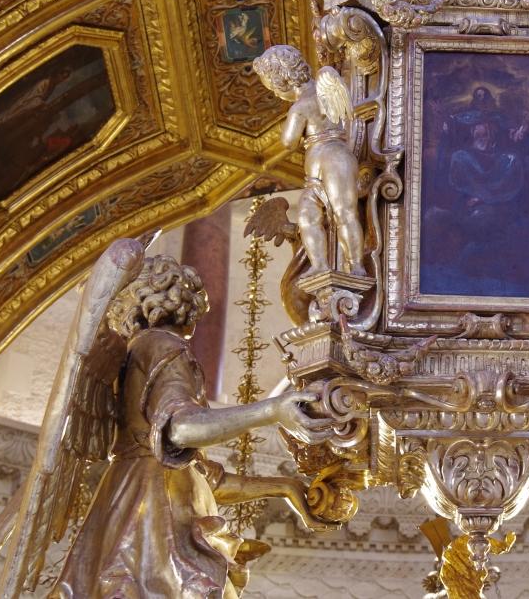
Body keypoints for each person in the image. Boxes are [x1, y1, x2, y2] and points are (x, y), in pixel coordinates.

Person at [56, 253, 333, 598]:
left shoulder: (137, 352)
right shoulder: (162, 346)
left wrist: (286, 487)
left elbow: (201, 479)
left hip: (133, 500)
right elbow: (182, 429)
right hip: (153, 518)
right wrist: (272, 410)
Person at [252, 45, 365, 276]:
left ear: (282, 80)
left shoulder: (301, 107)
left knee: (344, 212)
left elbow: (289, 141)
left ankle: (356, 267)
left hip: (334, 160)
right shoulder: (322, 90)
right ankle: (320, 266)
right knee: (306, 215)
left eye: (273, 87)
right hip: (316, 171)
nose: (276, 93)